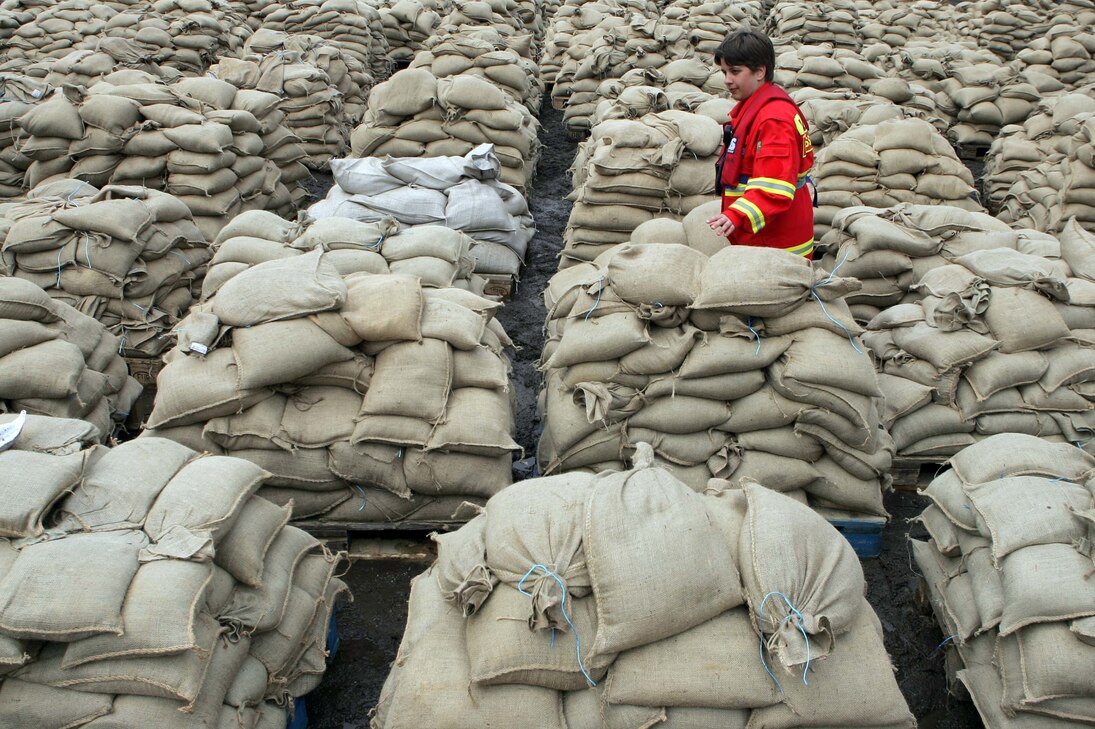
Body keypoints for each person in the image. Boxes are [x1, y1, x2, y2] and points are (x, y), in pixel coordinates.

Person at [706, 29, 816, 259]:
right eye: (724, 72)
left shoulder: (773, 120)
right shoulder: (758, 109)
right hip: (764, 235)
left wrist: (736, 216)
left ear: (760, 71)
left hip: (776, 243)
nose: (727, 80)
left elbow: (774, 186)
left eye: (735, 72)